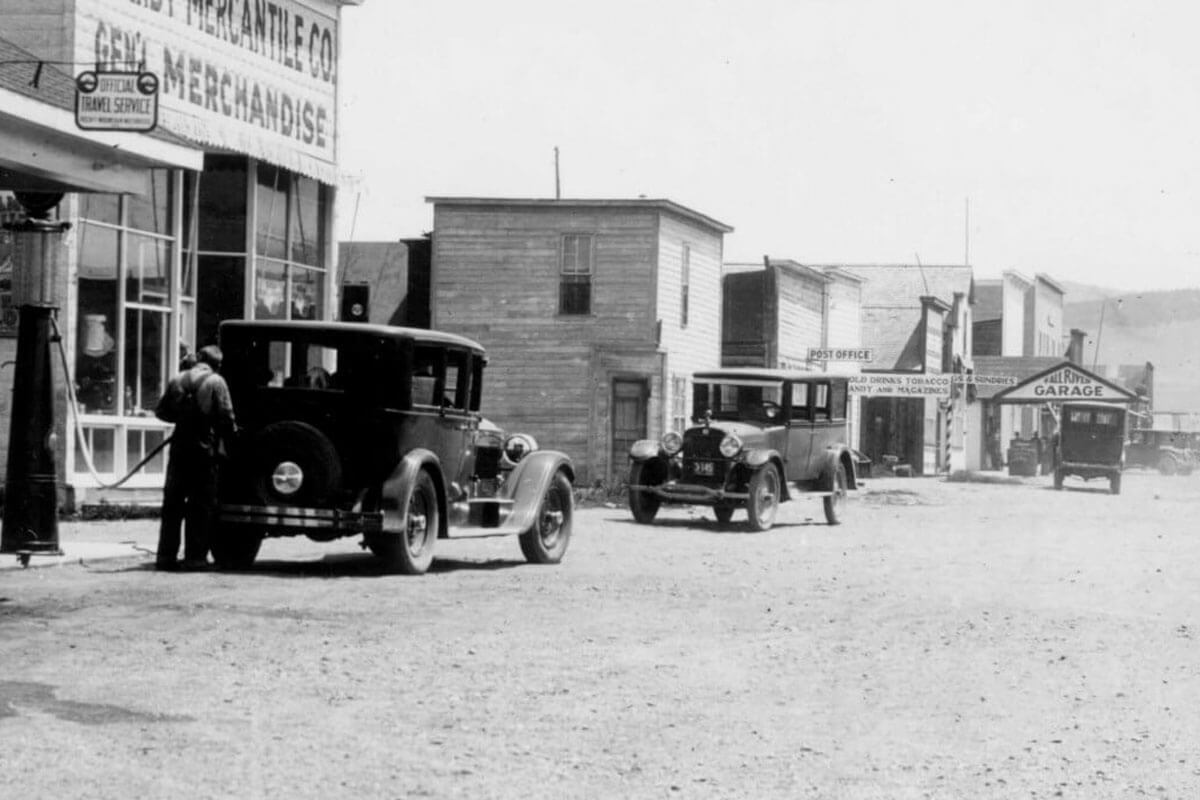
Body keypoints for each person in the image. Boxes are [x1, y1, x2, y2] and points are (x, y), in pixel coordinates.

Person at [154, 345, 236, 571]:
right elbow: (226, 418)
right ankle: (195, 557)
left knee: (173, 504)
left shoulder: (177, 379)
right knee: (201, 505)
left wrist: (183, 417)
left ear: (199, 358)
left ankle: (165, 556)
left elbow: (161, 412)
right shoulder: (216, 382)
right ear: (217, 364)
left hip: (179, 447)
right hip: (204, 450)